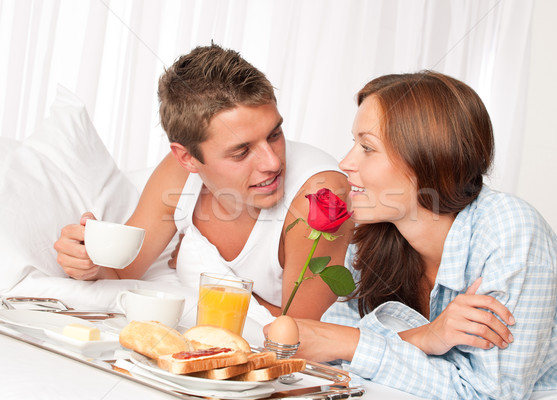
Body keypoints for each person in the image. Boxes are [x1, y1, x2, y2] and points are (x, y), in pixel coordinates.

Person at [277, 72, 557, 399]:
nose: (346, 163)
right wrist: (423, 336)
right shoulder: (378, 233)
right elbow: (333, 348)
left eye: (367, 148)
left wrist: (351, 343)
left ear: (426, 157)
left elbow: (491, 393)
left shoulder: (511, 231)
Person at [53, 44, 352, 319]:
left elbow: (300, 335)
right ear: (187, 158)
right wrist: (87, 262)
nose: (273, 163)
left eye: (274, 134)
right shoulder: (178, 173)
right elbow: (121, 274)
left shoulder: (321, 198)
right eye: (241, 151)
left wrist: (208, 275)